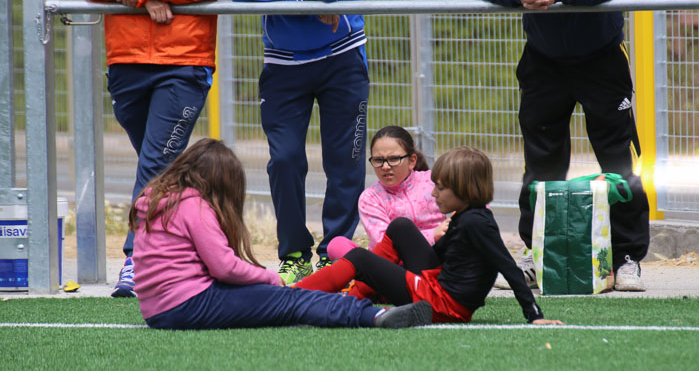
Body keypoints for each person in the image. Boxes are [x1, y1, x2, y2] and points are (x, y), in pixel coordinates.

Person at [472, 0, 650, 292]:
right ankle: (536, 253)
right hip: (543, 59)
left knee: (618, 160)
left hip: (603, 59)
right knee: (541, 163)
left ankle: (626, 257)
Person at [130, 138, 432, 330]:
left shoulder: (159, 200)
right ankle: (374, 315)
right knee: (291, 300)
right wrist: (270, 278)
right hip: (189, 303)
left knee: (286, 300)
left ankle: (369, 310)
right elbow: (223, 266)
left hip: (157, 311)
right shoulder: (194, 205)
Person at [78, 0, 228, 298]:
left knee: (155, 162)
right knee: (162, 166)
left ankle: (138, 258)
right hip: (126, 60)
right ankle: (196, 237)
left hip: (184, 61)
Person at [229, 0, 370, 286]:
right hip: (283, 62)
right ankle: (294, 255)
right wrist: (304, 1)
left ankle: (335, 254)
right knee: (285, 159)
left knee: (345, 160)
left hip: (343, 54)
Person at [296, 147, 563, 325]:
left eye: (441, 188)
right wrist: (390, 272)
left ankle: (292, 297)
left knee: (359, 258)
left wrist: (534, 314)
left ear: (468, 190)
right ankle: (356, 295)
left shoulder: (478, 224)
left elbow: (509, 267)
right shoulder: (464, 215)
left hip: (443, 305)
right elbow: (436, 256)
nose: (434, 194)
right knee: (400, 227)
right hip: (436, 289)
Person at [327, 125, 448, 258]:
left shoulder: (432, 181)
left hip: (438, 255)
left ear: (412, 161)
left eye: (394, 159)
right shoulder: (370, 198)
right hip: (395, 263)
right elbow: (385, 245)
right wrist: (432, 235)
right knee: (337, 245)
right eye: (378, 160)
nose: (385, 167)